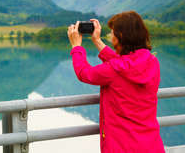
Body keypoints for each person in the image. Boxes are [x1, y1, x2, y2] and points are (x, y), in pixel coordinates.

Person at [67, 11, 165, 152]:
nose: (110, 37)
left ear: (120, 37)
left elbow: (84, 73)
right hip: (150, 144)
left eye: (112, 33)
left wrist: (76, 47)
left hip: (122, 146)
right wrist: (97, 41)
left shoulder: (115, 70)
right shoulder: (152, 62)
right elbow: (123, 65)